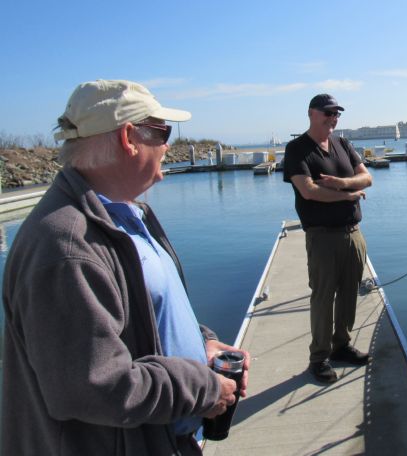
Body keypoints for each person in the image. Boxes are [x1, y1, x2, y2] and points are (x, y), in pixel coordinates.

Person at [2, 80, 250, 455]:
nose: (168, 146)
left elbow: (147, 312)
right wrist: (204, 386)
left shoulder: (128, 215)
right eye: (162, 132)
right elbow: (95, 386)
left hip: (164, 437)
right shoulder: (67, 248)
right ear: (128, 138)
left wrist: (204, 345)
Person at [283, 94, 373, 384]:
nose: (333, 118)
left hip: (353, 234)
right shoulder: (297, 149)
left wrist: (341, 184)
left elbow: (367, 178)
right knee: (323, 298)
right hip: (322, 237)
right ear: (312, 113)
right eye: (328, 112)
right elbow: (308, 190)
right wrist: (348, 195)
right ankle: (319, 358)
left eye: (337, 113)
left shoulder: (343, 144)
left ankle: (341, 346)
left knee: (349, 294)